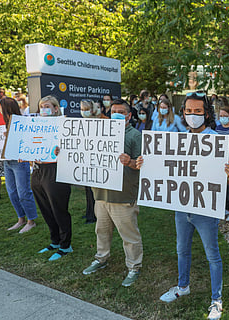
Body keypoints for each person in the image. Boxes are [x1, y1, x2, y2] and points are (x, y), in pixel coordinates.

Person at [137, 91, 229, 320]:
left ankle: (216, 300)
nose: (192, 115)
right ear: (183, 113)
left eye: (197, 111)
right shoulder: (178, 139)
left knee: (212, 255)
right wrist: (145, 163)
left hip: (204, 209)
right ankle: (183, 287)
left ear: (206, 114)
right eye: (188, 111)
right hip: (182, 207)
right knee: (182, 249)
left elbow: (222, 179)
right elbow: (164, 168)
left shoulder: (216, 140)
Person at [82, 99, 144, 287]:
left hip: (123, 195)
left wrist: (130, 162)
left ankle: (134, 266)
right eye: (113, 111)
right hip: (101, 193)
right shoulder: (100, 132)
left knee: (129, 234)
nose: (116, 114)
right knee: (101, 230)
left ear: (129, 115)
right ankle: (101, 258)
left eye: (121, 111)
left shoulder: (135, 135)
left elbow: (142, 165)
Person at [33, 96, 73, 261]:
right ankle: (55, 240)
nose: (43, 109)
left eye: (47, 106)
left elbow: (73, 147)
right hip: (37, 169)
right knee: (45, 208)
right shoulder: (35, 125)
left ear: (56, 108)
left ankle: (65, 245)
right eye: (41, 106)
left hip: (56, 170)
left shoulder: (65, 125)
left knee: (58, 209)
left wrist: (61, 150)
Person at [0, 98, 38, 233]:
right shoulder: (0, 123)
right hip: (7, 161)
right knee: (12, 192)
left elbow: (26, 140)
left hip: (19, 161)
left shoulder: (20, 122)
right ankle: (21, 218)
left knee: (23, 191)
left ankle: (31, 220)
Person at [79, 100, 103, 224]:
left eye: (86, 109)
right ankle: (89, 212)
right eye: (82, 109)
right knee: (87, 188)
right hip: (86, 159)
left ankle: (94, 215)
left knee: (95, 190)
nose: (84, 112)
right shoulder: (82, 122)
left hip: (96, 160)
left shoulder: (100, 121)